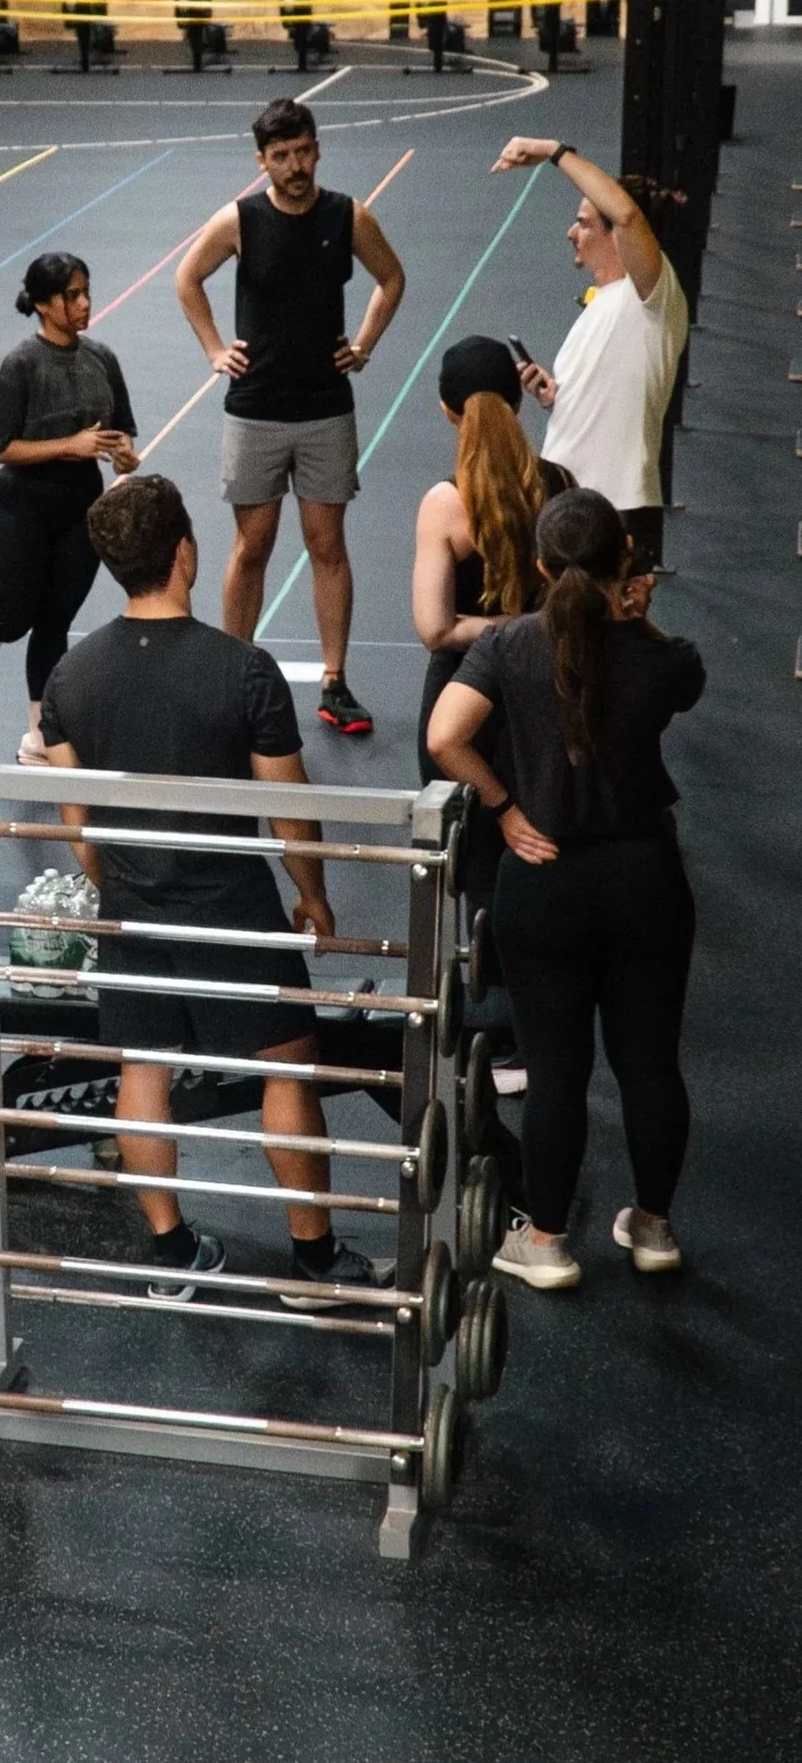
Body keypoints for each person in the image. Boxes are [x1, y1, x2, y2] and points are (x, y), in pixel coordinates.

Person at [41, 474, 391, 1299]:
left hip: (132, 910)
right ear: (185, 553)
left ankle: (168, 1256)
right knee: (286, 1068)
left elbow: (78, 826)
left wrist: (122, 892)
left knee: (142, 1067)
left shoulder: (68, 678)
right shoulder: (242, 669)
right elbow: (288, 812)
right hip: (231, 910)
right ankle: (311, 1260)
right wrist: (313, 895)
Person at [427, 488, 705, 1290]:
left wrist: (505, 808)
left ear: (542, 567)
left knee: (555, 1071)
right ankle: (652, 1229)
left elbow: (444, 736)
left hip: (542, 878)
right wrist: (634, 616)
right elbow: (679, 676)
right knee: (650, 1063)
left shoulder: (510, 643)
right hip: (643, 877)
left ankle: (545, 1242)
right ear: (626, 567)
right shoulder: (660, 656)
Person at [175, 97, 405, 735]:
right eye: (281, 156)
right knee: (253, 546)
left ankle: (335, 681)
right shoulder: (240, 220)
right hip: (255, 411)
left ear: (317, 147)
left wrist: (363, 346)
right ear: (262, 161)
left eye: (303, 151)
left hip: (325, 409)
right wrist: (215, 350)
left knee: (327, 545)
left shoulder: (347, 215)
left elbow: (392, 278)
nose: (295, 165)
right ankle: (236, 674)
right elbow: (187, 279)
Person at [412, 337, 571, 1115]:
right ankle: (541, 1027)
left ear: (446, 410)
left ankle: (491, 1033)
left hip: (462, 705)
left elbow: (432, 626)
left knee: (471, 868)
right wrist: (527, 626)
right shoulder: (560, 485)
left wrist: (495, 626)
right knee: (536, 854)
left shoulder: (446, 502)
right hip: (536, 700)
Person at [0, 251, 139, 763]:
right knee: (17, 620)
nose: (85, 303)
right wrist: (71, 445)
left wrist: (122, 454)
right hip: (21, 504)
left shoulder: (101, 359)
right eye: (72, 295)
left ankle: (38, 734)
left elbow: (121, 429)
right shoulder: (16, 366)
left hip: (79, 507)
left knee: (55, 621)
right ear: (44, 304)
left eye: (87, 292)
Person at [493, 136, 690, 569]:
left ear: (617, 237)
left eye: (583, 222)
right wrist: (554, 399)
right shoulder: (603, 302)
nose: (571, 233)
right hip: (568, 498)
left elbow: (625, 213)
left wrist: (552, 152)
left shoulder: (652, 295)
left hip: (615, 506)